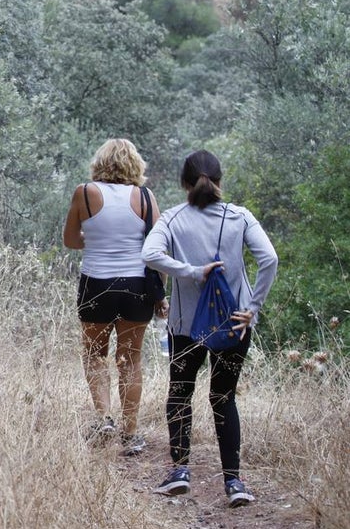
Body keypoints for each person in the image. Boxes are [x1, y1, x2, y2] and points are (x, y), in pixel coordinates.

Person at [142, 150, 277, 508]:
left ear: (185, 184)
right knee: (223, 397)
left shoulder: (172, 219)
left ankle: (180, 472)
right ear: (220, 180)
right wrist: (252, 308)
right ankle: (234, 482)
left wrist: (190, 271)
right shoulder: (240, 217)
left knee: (180, 392)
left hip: (186, 326)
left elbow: (150, 255)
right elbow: (270, 259)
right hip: (234, 323)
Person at [63, 138, 160, 456]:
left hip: (96, 284)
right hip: (136, 287)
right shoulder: (146, 198)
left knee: (94, 354)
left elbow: (71, 241)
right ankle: (130, 434)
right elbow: (156, 250)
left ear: (100, 163)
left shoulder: (85, 193)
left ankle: (104, 417)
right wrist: (160, 295)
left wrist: (94, 238)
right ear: (135, 164)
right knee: (130, 360)